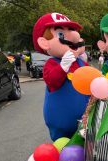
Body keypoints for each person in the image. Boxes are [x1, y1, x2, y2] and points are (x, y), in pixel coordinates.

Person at [32, 12, 89, 141]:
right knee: (63, 152)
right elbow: (52, 82)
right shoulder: (52, 64)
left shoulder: (82, 63)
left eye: (72, 31)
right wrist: (63, 67)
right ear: (45, 43)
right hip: (62, 127)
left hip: (86, 123)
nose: (73, 38)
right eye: (61, 34)